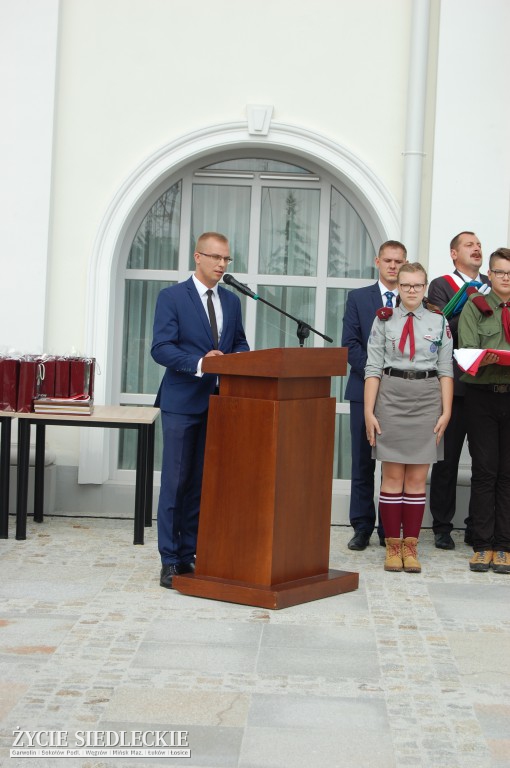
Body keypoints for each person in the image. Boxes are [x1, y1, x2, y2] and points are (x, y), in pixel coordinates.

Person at [151, 232, 250, 589]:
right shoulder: (172, 297)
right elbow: (161, 348)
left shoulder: (232, 302)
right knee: (176, 484)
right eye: (215, 258)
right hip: (181, 402)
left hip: (218, 403)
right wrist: (200, 363)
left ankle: (190, 555)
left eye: (227, 260)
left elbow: (239, 343)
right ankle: (169, 559)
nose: (222, 265)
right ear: (197, 257)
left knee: (200, 484)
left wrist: (238, 360)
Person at [364, 262, 453, 572]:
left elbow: (445, 370)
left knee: (416, 480)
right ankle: (392, 548)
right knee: (392, 478)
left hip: (427, 399)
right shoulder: (383, 321)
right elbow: (373, 368)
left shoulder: (438, 322)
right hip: (391, 397)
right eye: (406, 285)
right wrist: (368, 411)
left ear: (425, 286)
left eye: (417, 285)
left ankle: (411, 547)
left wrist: (447, 411)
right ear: (397, 287)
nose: (412, 290)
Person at [341, 240, 407, 550]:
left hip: (400, 394)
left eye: (399, 261)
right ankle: (362, 526)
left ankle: (388, 527)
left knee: (393, 461)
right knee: (363, 462)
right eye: (389, 260)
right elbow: (350, 344)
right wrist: (375, 372)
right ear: (377, 261)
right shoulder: (357, 298)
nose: (393, 266)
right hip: (362, 389)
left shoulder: (411, 301)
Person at [428, 232, 490, 549]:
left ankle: (477, 526)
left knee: (484, 462)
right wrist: (468, 303)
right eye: (469, 245)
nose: (477, 248)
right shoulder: (441, 286)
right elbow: (440, 328)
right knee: (446, 460)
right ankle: (441, 525)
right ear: (454, 254)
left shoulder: (494, 287)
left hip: (486, 386)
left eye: (479, 244)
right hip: (453, 386)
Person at [458, 247, 510, 574]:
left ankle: (504, 545)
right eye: (501, 272)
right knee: (485, 470)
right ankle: (482, 544)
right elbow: (465, 351)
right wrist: (482, 358)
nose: (506, 278)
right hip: (482, 396)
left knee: (508, 472)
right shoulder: (475, 307)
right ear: (489, 274)